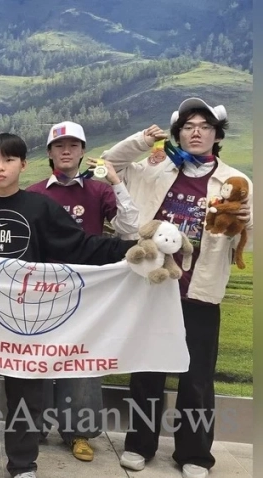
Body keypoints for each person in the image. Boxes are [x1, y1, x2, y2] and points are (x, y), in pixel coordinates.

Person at [0, 133, 137, 478]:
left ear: (23, 164)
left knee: (27, 397)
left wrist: (128, 250)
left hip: (28, 321)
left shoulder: (41, 208)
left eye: (8, 160)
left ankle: (22, 465)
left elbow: (80, 247)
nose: (0, 167)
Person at [102, 98, 252, 478]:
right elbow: (111, 163)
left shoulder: (236, 180)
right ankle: (139, 445)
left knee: (198, 378)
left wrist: (245, 224)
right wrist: (141, 141)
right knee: (147, 370)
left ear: (217, 134)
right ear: (178, 133)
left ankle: (195, 455)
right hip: (155, 288)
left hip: (199, 292)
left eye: (204, 126)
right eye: (188, 126)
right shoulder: (156, 170)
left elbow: (245, 241)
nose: (196, 131)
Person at [24, 121, 139, 461]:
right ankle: (35, 426)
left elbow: (130, 229)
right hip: (42, 291)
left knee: (82, 363)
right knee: (38, 362)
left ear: (83, 151)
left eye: (73, 145)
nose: (66, 151)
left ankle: (79, 432)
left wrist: (115, 179)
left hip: (88, 292)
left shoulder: (99, 191)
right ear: (49, 153)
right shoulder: (33, 194)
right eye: (59, 146)